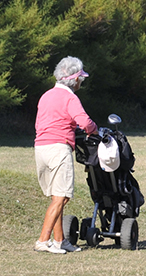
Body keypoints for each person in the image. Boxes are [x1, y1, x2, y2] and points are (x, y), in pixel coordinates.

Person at [34, 56, 98, 252]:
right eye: (81, 79)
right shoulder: (70, 97)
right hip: (59, 148)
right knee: (61, 197)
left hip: (40, 148)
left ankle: (61, 241)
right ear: (74, 79)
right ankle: (43, 241)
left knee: (56, 196)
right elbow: (85, 123)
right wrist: (95, 130)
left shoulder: (46, 95)